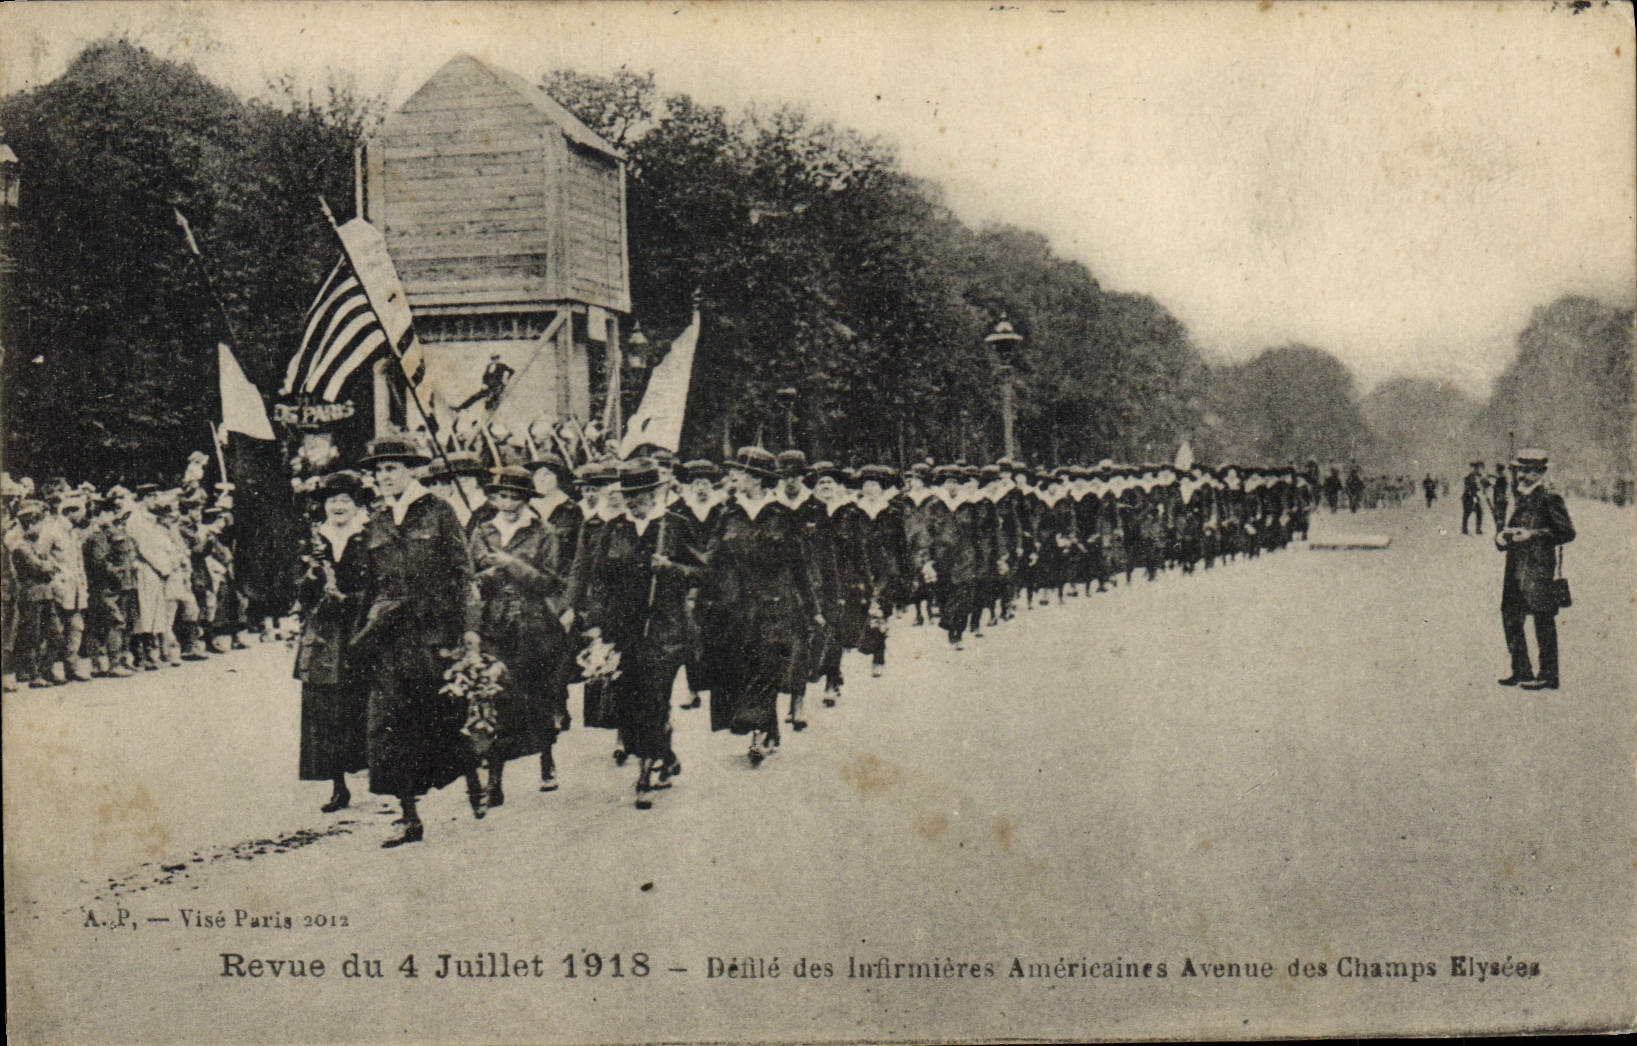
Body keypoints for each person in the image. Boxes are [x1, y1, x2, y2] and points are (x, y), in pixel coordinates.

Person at [354, 435, 484, 848]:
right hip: (390, 638)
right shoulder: (375, 520)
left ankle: (472, 778)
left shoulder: (439, 512)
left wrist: (469, 631)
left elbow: (464, 576)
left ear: (411, 470)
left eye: (391, 468)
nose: (383, 475)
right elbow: (369, 586)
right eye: (378, 469)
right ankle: (408, 816)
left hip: (434, 634)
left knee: (443, 714)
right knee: (389, 724)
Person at [468, 465, 577, 806]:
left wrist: (510, 564)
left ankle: (547, 761)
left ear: (526, 499)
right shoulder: (482, 531)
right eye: (501, 495)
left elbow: (550, 581)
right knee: (496, 698)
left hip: (534, 626)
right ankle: (495, 779)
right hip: (495, 626)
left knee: (539, 696)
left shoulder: (543, 532)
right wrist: (489, 572)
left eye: (515, 496)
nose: (507, 502)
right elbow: (470, 579)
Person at [293, 471, 373, 813]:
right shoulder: (312, 542)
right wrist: (310, 582)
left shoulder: (368, 537)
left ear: (356, 505)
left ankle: (385, 776)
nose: (338, 506)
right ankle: (338, 785)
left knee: (368, 703)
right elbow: (296, 590)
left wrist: (355, 600)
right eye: (332, 500)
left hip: (363, 628)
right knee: (327, 711)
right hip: (325, 635)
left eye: (345, 500)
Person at [1495, 449, 1574, 691]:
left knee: (1542, 618)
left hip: (1538, 566)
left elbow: (1567, 532)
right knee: (1510, 616)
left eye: (1529, 471)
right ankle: (1522, 671)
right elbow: (1510, 528)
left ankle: (1548, 676)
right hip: (1515, 566)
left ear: (1540, 472)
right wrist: (1501, 537)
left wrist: (1532, 535)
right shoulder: (1519, 496)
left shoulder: (1549, 496)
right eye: (1521, 470)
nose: (1523, 475)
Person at [1461, 461, 1485, 535]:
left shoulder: (1479, 476)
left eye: (1478, 468)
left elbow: (1482, 485)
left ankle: (1478, 529)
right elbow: (1468, 487)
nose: (1476, 470)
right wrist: (1472, 494)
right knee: (1467, 513)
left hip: (1475, 497)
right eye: (1475, 468)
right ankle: (1464, 529)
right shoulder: (1469, 477)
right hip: (1468, 497)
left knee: (1479, 513)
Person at [1490, 462, 1509, 533]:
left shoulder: (1502, 478)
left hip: (1500, 500)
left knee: (1499, 517)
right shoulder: (1500, 478)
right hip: (1499, 499)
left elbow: (1501, 490)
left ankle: (1499, 532)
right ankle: (1499, 531)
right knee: (1500, 517)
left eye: (1498, 470)